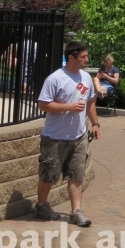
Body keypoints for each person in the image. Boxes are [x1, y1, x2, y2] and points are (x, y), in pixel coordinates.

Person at [34, 41, 99, 227]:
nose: (87, 59)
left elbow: (90, 103)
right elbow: (43, 104)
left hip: (78, 136)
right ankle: (41, 205)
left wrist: (95, 123)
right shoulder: (55, 79)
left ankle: (76, 212)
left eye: (87, 56)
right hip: (55, 137)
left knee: (77, 175)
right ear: (71, 57)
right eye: (83, 57)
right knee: (49, 175)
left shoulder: (86, 78)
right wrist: (68, 107)